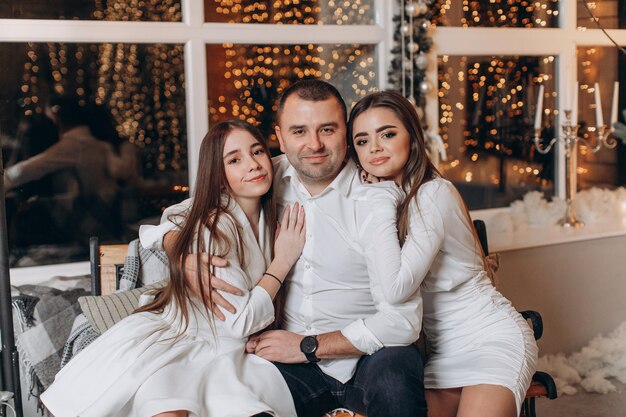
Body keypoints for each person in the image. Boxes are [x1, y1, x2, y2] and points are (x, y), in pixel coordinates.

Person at [147, 80, 426, 417]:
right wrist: (183, 254)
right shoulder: (265, 176)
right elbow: (178, 215)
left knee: (396, 378)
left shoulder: (379, 191)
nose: (314, 145)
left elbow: (402, 319)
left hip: (370, 355)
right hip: (286, 360)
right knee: (226, 394)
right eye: (299, 132)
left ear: (347, 133)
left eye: (327, 129)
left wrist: (309, 347)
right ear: (280, 137)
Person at [41, 120, 305, 417]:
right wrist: (281, 262)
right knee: (164, 405)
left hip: (228, 350)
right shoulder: (215, 227)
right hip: (182, 340)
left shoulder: (270, 189)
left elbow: (306, 158)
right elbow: (241, 320)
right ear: (218, 176)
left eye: (257, 152)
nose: (253, 164)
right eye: (234, 159)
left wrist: (367, 173)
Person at [347, 90, 538, 417]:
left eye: (387, 134)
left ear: (412, 137)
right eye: (362, 141)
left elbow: (395, 289)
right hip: (441, 355)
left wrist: (378, 195)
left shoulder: (433, 193)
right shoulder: (394, 196)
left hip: (490, 338)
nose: (374, 147)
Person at [4, 94, 121, 241]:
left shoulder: (75, 145)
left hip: (87, 227)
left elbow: (24, 171)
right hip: (105, 223)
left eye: (48, 118)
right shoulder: (96, 144)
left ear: (55, 116)